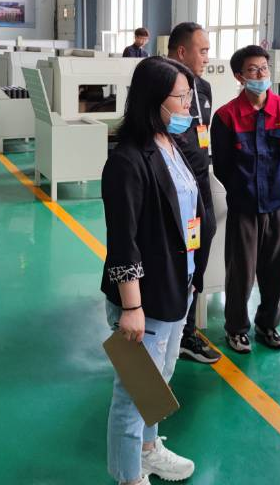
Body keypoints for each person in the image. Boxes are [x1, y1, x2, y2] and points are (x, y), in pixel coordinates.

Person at [101, 56, 203, 485]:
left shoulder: (173, 145)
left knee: (159, 381)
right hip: (144, 298)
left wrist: (193, 278)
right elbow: (123, 240)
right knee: (134, 395)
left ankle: (147, 451)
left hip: (177, 286)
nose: (188, 106)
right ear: (153, 100)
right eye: (180, 97)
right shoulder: (127, 160)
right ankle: (129, 477)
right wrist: (132, 307)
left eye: (188, 96)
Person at [211, 45, 280, 354]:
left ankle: (268, 325)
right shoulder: (226, 116)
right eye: (252, 70)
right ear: (239, 76)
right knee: (241, 273)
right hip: (244, 206)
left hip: (276, 203)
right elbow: (222, 166)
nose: (260, 75)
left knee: (276, 270)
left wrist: (270, 185)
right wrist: (243, 190)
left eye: (264, 68)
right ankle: (236, 329)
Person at [166, 23, 221, 365]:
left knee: (198, 251)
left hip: (200, 186)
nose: (207, 57)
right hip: (174, 189)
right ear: (182, 52)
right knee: (174, 255)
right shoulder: (161, 87)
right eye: (202, 51)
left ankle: (185, 329)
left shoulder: (203, 88)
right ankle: (170, 326)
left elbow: (204, 134)